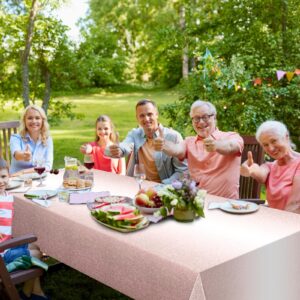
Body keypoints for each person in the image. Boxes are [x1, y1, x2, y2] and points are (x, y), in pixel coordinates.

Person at [153, 100, 244, 199]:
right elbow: (177, 150)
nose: (200, 122)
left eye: (205, 117)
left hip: (225, 205)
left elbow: (231, 146)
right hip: (197, 204)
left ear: (215, 117)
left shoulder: (231, 136)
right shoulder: (189, 142)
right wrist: (164, 144)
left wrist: (216, 145)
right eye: (196, 118)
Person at [0, 158, 49, 300]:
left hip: (5, 246)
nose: (1, 181)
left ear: (9, 176)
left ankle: (32, 292)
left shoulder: (6, 196)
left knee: (36, 247)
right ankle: (29, 293)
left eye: (3, 177)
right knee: (36, 254)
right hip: (3, 256)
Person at [105, 99, 187, 184]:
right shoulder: (135, 134)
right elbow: (125, 146)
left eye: (149, 114)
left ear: (156, 115)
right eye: (142, 116)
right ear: (137, 118)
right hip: (140, 187)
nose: (146, 119)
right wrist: (117, 150)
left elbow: (183, 171)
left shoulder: (173, 137)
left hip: (166, 190)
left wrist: (163, 186)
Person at [241, 120, 300, 213]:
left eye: (274, 141)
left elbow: (295, 204)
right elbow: (260, 173)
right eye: (265, 145)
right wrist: (251, 170)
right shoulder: (270, 166)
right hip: (275, 220)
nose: (271, 148)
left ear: (286, 137)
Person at [10, 105, 53, 175]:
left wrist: (23, 172)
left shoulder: (47, 139)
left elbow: (48, 166)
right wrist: (23, 155)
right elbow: (17, 155)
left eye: (37, 118)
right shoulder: (15, 138)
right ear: (24, 121)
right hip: (17, 179)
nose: (34, 121)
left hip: (39, 178)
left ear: (42, 120)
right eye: (30, 118)